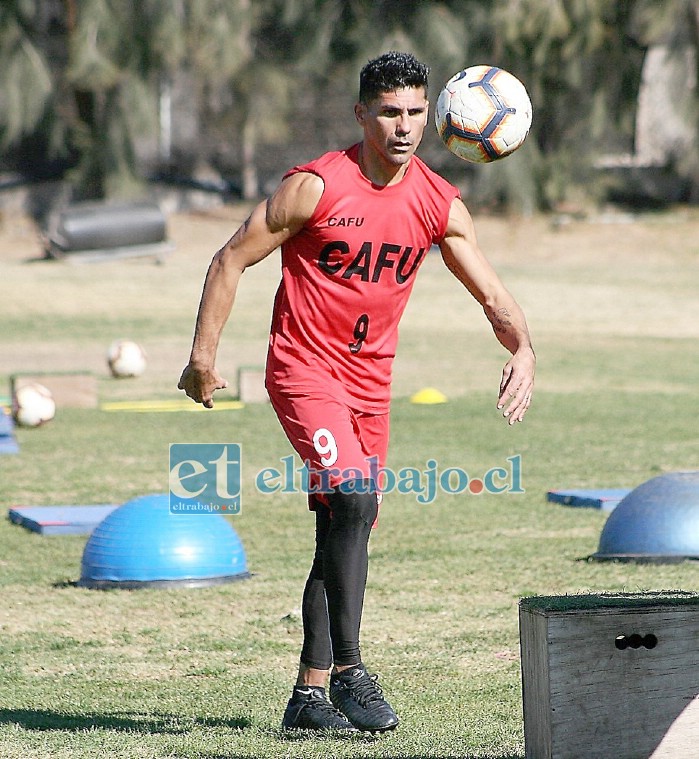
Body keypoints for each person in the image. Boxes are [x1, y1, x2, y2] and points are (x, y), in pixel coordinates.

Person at [178, 51, 535, 734]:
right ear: (361, 114)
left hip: (370, 386)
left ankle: (307, 700)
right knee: (354, 497)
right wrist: (202, 357)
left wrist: (522, 347)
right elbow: (229, 258)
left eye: (415, 112)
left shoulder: (436, 200)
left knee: (344, 525)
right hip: (303, 371)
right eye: (388, 112)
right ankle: (350, 670)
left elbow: (490, 292)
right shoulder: (315, 186)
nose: (403, 127)